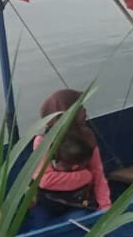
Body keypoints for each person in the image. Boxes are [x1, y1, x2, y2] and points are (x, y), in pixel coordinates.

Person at [32, 88, 112, 221]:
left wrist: (105, 206)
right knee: (38, 223)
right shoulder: (43, 141)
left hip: (79, 200)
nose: (85, 111)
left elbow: (98, 174)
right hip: (49, 201)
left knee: (77, 220)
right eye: (80, 108)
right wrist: (85, 176)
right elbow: (45, 180)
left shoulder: (87, 137)